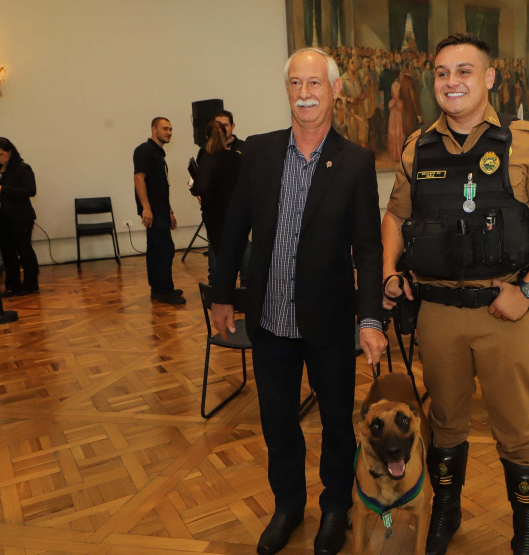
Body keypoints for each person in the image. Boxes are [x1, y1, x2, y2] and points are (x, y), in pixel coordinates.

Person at [381, 33, 529, 555]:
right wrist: (387, 271)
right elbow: (396, 217)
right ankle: (447, 510)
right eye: (443, 73)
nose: (452, 82)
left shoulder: (527, 142)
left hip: (504, 310)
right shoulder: (416, 147)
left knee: (516, 425)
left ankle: (527, 525)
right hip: (437, 311)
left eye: (465, 71)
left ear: (489, 77)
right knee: (444, 422)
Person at [209, 47, 386, 555]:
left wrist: (369, 318)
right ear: (287, 89)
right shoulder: (260, 152)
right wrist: (222, 295)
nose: (305, 94)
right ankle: (287, 506)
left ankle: (335, 507)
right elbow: (234, 227)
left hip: (328, 323)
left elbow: (369, 250)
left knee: (335, 421)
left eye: (315, 84)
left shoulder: (355, 162)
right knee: (277, 420)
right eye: (296, 84)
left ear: (334, 91)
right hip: (269, 320)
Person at [134, 117, 184, 305]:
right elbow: (139, 178)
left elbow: (162, 186)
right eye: (165, 129)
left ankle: (164, 288)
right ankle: (161, 291)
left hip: (161, 210)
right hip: (152, 211)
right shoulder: (144, 150)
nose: (169, 132)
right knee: (161, 250)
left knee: (162, 249)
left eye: (170, 129)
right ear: (153, 129)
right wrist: (146, 208)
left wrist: (170, 211)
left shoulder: (158, 154)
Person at [0, 138, 39, 296]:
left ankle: (30, 284)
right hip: (0, 217)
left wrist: (4, 190)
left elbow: (30, 190)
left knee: (24, 249)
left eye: (1, 154)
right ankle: (13, 285)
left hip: (19, 216)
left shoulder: (22, 168)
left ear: (10, 152)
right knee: (7, 252)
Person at [192, 121, 243, 284]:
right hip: (233, 212)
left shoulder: (207, 157)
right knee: (238, 250)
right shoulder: (235, 157)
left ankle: (218, 288)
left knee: (217, 251)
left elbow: (200, 187)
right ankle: (245, 285)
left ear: (207, 137)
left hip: (213, 213)